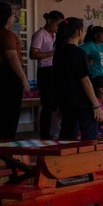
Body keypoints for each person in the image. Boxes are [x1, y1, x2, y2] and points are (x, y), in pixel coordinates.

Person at [0, 2, 30, 140]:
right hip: (9, 76)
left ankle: (0, 146)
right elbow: (11, 57)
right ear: (6, 16)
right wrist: (23, 78)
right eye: (12, 14)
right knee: (10, 115)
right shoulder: (6, 34)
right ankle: (7, 147)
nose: (13, 17)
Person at [53, 17, 103, 140]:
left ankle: (66, 159)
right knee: (89, 138)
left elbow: (57, 79)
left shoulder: (59, 53)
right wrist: (96, 105)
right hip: (81, 102)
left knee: (67, 137)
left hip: (66, 102)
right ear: (79, 32)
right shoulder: (78, 53)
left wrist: (59, 104)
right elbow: (85, 81)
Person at [28, 10, 63, 139]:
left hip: (54, 69)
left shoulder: (54, 35)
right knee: (47, 104)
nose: (57, 28)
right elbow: (33, 54)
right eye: (57, 24)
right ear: (49, 21)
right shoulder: (40, 34)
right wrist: (53, 53)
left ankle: (54, 132)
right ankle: (45, 133)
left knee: (55, 103)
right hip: (45, 70)